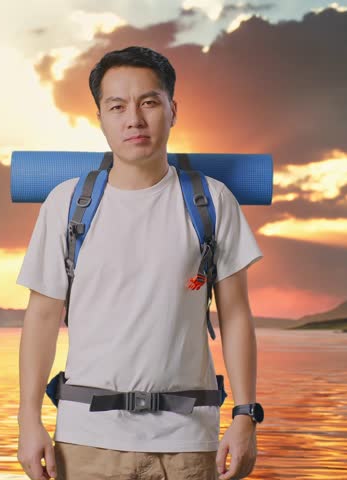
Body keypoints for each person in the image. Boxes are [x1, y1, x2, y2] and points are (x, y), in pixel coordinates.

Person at [16, 45, 263, 479]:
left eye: (149, 102)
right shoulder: (67, 205)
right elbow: (41, 316)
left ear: (172, 109)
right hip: (87, 440)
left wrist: (245, 415)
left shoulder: (212, 201)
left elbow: (237, 314)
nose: (134, 118)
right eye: (117, 106)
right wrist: (27, 419)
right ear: (100, 118)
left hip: (188, 442)